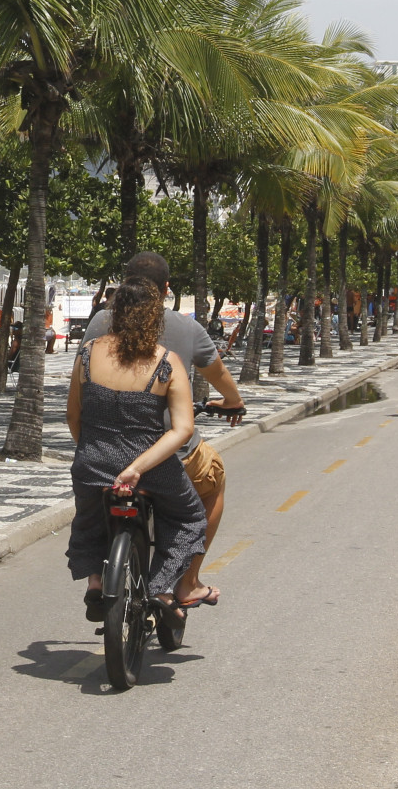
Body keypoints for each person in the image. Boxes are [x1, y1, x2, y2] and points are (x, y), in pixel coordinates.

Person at [81, 252, 245, 599]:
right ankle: (186, 582)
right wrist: (234, 402)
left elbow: (79, 395)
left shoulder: (98, 326)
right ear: (166, 289)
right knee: (213, 481)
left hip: (103, 451)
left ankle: (95, 575)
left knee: (91, 505)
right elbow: (217, 376)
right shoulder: (185, 330)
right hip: (166, 454)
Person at [65, 277, 212, 628]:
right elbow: (182, 430)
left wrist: (91, 452)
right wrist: (135, 468)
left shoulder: (88, 354)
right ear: (154, 318)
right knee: (190, 517)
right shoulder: (167, 362)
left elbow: (74, 416)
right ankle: (161, 588)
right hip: (148, 468)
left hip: (93, 462)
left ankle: (96, 582)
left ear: (114, 314)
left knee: (89, 517)